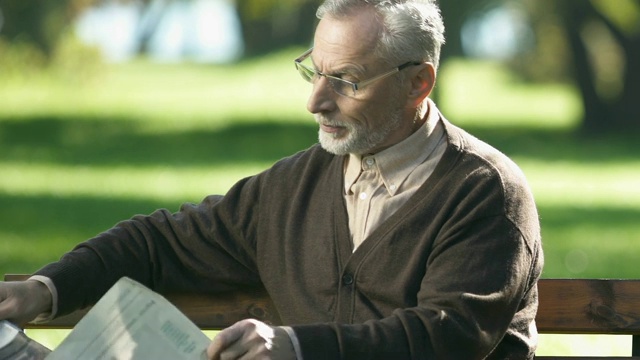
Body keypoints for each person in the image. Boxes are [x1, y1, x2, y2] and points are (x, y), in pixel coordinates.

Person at [0, 0, 544, 358]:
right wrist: (43, 290)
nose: (316, 101)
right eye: (314, 70)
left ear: (418, 83)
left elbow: (443, 338)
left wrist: (294, 347)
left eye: (346, 81)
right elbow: (160, 241)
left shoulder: (486, 192)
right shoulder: (292, 187)